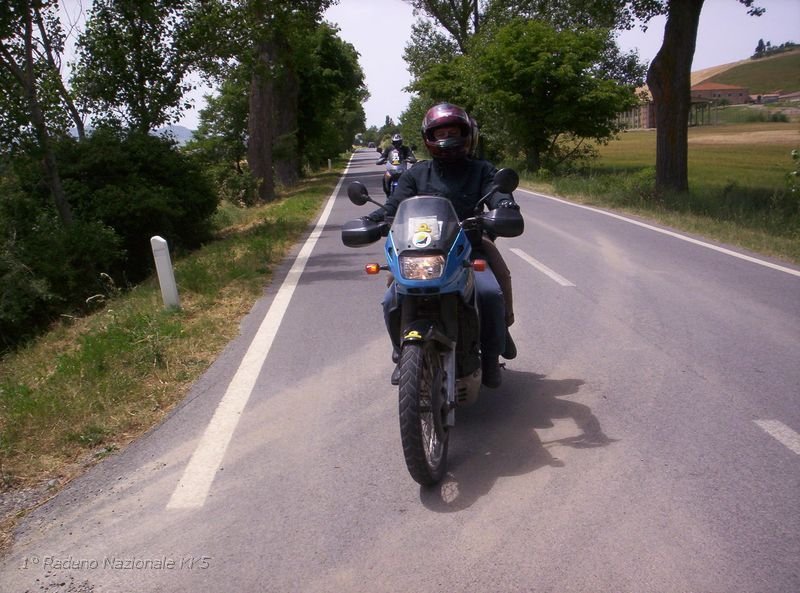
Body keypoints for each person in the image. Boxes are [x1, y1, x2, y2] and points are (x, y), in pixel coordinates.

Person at [364, 102, 520, 388]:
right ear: (429, 138)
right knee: (390, 299)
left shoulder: (481, 170)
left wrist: (505, 205)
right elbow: (393, 207)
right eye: (440, 132)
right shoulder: (416, 174)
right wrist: (373, 218)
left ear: (466, 134)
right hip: (422, 252)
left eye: (453, 131)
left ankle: (490, 358)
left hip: (470, 246)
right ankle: (402, 353)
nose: (447, 137)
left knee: (490, 293)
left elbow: (497, 195)